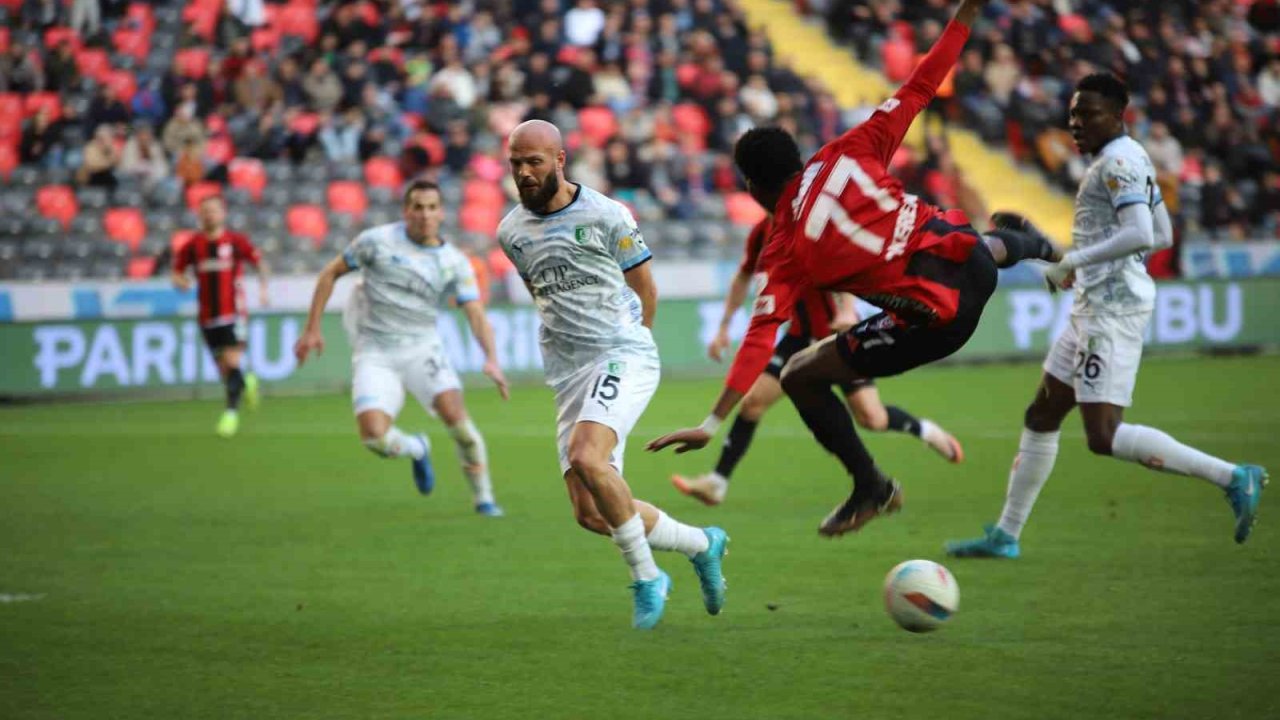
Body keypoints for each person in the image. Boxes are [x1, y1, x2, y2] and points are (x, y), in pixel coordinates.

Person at [647, 0, 1058, 537]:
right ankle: (1025, 243)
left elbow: (759, 338)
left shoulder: (786, 247)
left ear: (753, 188)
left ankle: (870, 484)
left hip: (939, 318)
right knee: (964, 242)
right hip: (972, 257)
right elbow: (920, 84)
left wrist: (711, 420)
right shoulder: (850, 148)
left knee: (798, 375)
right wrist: (965, 17)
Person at [944, 73, 1269, 558]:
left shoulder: (1117, 162)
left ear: (1118, 116)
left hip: (1112, 313)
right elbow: (1161, 232)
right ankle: (1006, 535)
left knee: (1104, 434)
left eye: (1088, 114)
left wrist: (1074, 261)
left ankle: (1232, 477)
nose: (1076, 123)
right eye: (1073, 114)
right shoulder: (1128, 157)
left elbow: (1140, 233)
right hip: (1094, 304)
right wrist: (1080, 260)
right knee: (1042, 413)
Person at [496, 119, 728, 630]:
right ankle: (701, 543)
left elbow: (645, 287)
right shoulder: (510, 232)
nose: (524, 172)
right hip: (567, 373)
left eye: (534, 161)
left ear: (560, 160)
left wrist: (633, 344)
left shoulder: (606, 215)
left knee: (587, 456)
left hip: (622, 352)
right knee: (591, 513)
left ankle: (648, 578)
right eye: (516, 163)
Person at [671, 213, 964, 507]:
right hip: (799, 338)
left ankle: (927, 432)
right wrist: (723, 326)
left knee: (872, 418)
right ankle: (717, 483)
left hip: (840, 337)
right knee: (752, 402)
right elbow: (744, 274)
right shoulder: (762, 231)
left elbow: (841, 268)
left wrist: (847, 310)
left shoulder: (811, 222)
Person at [293, 180, 508, 517]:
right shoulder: (375, 242)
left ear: (441, 213)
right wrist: (311, 328)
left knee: (460, 424)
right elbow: (329, 273)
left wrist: (492, 359)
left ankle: (484, 499)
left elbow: (475, 312)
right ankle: (416, 448)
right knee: (374, 437)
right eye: (418, 207)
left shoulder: (454, 262)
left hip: (423, 349)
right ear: (406, 211)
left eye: (431, 207)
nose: (424, 214)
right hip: (375, 352)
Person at [171, 195, 268, 438]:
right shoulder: (193, 245)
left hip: (233, 313)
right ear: (199, 216)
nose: (209, 215)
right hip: (206, 316)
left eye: (213, 211)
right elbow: (177, 272)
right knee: (224, 369)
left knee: (232, 361)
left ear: (223, 213)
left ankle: (230, 414)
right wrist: (180, 281)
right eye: (205, 212)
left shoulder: (235, 241)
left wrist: (264, 289)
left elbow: (259, 262)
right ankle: (247, 382)